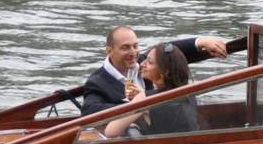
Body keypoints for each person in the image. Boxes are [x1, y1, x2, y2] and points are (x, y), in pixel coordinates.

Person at [81, 25, 228, 113]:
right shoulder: (97, 82)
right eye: (125, 48)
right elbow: (89, 111)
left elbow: (169, 53)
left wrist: (201, 42)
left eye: (135, 46)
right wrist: (133, 104)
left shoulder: (143, 62)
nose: (133, 53)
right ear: (109, 51)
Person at [102, 43, 200, 139]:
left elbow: (110, 132)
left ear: (165, 72)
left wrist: (140, 102)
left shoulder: (145, 98)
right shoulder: (189, 93)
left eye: (150, 62)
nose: (142, 64)